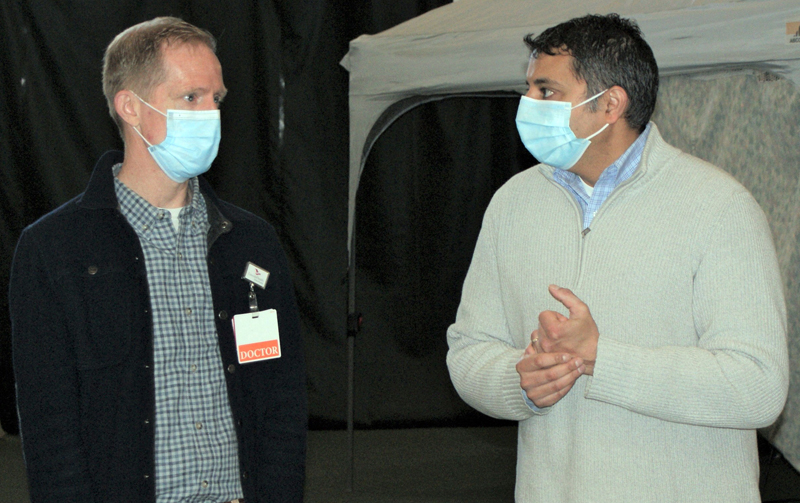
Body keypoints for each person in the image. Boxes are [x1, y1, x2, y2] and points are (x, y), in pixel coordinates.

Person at [446, 13, 789, 502]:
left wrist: (602, 359)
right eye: (528, 90)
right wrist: (518, 382)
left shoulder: (719, 206)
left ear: (610, 103)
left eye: (546, 91)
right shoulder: (512, 203)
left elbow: (759, 386)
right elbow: (468, 351)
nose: (527, 105)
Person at [9, 17, 307, 503]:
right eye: (191, 97)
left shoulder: (250, 243)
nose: (210, 113)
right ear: (130, 106)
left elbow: (280, 395)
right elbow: (50, 430)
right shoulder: (54, 251)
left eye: (217, 99)